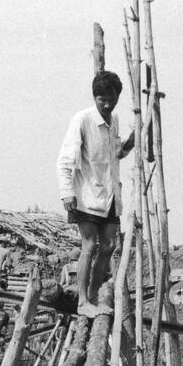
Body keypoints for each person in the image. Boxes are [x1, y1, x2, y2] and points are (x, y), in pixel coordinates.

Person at [56, 70, 135, 318]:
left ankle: (91, 295)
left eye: (112, 99)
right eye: (102, 100)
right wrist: (67, 192)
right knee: (89, 245)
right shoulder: (82, 120)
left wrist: (135, 138)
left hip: (109, 194)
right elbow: (64, 160)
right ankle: (82, 301)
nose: (108, 104)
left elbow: (118, 153)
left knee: (109, 246)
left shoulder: (115, 121)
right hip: (86, 194)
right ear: (94, 97)